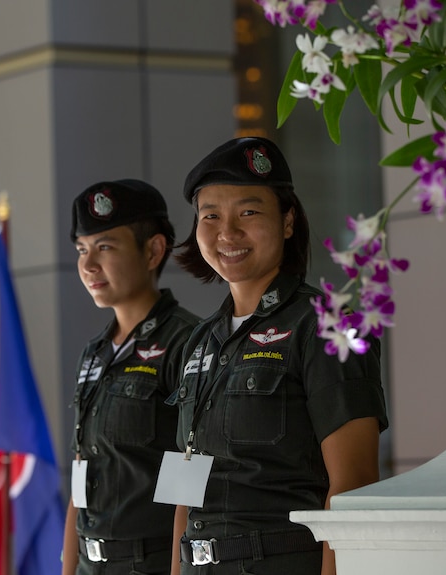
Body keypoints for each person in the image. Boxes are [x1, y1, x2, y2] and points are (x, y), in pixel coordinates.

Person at [169, 137, 388, 575]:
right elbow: (185, 490)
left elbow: (354, 483)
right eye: (210, 215)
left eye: (248, 213)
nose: (227, 233)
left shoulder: (327, 324)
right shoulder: (198, 341)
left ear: (288, 222)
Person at [61, 179, 201, 575]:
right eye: (82, 250)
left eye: (105, 247)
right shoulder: (94, 353)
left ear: (154, 250)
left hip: (151, 563)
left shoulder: (187, 342)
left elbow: (188, 491)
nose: (89, 265)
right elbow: (79, 475)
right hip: (92, 563)